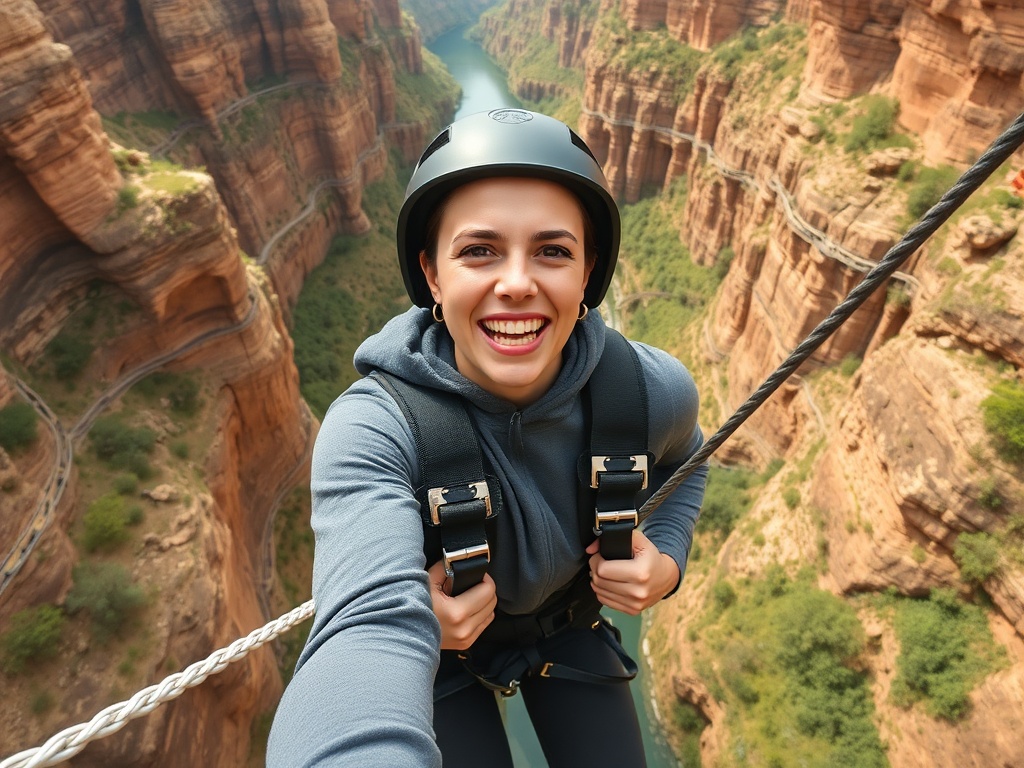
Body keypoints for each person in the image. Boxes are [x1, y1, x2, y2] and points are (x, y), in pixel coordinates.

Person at [267, 109, 707, 767]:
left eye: (553, 251)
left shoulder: (647, 391)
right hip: (433, 654)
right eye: (480, 250)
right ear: (433, 277)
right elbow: (362, 637)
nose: (517, 283)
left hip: (568, 623)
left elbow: (688, 456)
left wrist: (666, 562)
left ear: (588, 276)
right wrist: (417, 622)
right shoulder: (374, 429)